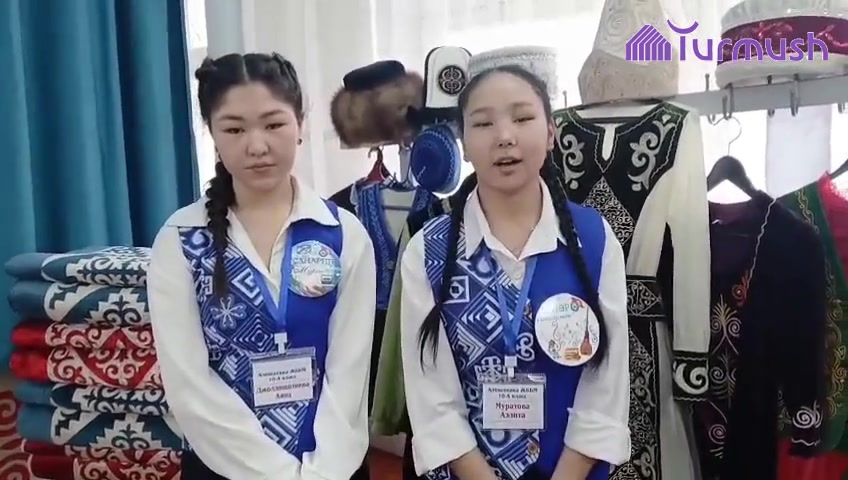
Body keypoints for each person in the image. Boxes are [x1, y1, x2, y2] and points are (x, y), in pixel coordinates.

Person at [147, 52, 376, 480]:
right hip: (223, 467)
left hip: (333, 468)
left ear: (300, 124)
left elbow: (350, 374)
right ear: (211, 133)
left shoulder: (343, 234)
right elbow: (189, 387)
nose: (256, 146)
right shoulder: (179, 240)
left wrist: (320, 473)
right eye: (234, 129)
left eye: (273, 124)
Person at [399, 65, 631, 480]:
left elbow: (606, 389)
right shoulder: (427, 252)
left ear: (551, 132)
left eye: (522, 118)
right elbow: (432, 401)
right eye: (483, 123)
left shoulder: (594, 241)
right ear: (463, 144)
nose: (504, 136)